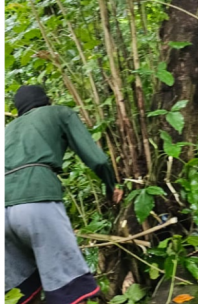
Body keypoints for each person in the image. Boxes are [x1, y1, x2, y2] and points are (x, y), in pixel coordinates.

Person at [5, 85, 123, 304]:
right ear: (46, 100)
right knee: (68, 285)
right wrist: (111, 186)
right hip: (37, 201)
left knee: (19, 292)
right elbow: (98, 160)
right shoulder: (58, 112)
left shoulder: (6, 131)